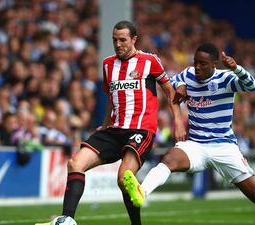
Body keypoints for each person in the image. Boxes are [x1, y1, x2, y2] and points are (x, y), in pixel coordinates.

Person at [123, 43, 255, 225]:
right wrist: (181, 85)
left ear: (214, 65)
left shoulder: (225, 78)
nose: (197, 67)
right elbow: (170, 84)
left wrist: (237, 69)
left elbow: (252, 86)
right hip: (196, 145)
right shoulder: (188, 74)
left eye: (203, 64)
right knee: (169, 159)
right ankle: (141, 192)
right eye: (195, 62)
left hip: (223, 146)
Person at [36, 20, 186, 225]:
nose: (118, 44)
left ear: (134, 39)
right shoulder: (108, 64)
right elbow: (111, 98)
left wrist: (178, 122)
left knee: (124, 177)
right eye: (114, 40)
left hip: (141, 129)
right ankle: (67, 220)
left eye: (123, 40)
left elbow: (170, 92)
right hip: (114, 129)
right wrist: (106, 124)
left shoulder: (150, 61)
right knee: (75, 163)